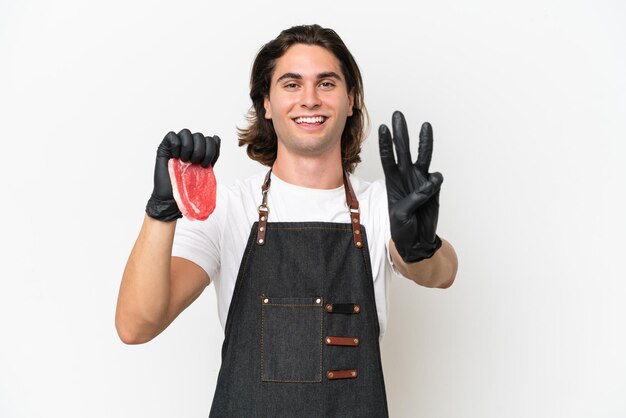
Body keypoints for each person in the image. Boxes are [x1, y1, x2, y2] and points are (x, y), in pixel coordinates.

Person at [116, 24, 458, 417]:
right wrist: (161, 212)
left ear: (351, 100)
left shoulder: (380, 205)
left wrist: (421, 247)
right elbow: (135, 325)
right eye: (291, 84)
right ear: (266, 103)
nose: (309, 100)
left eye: (326, 83)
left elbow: (442, 273)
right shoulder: (229, 208)